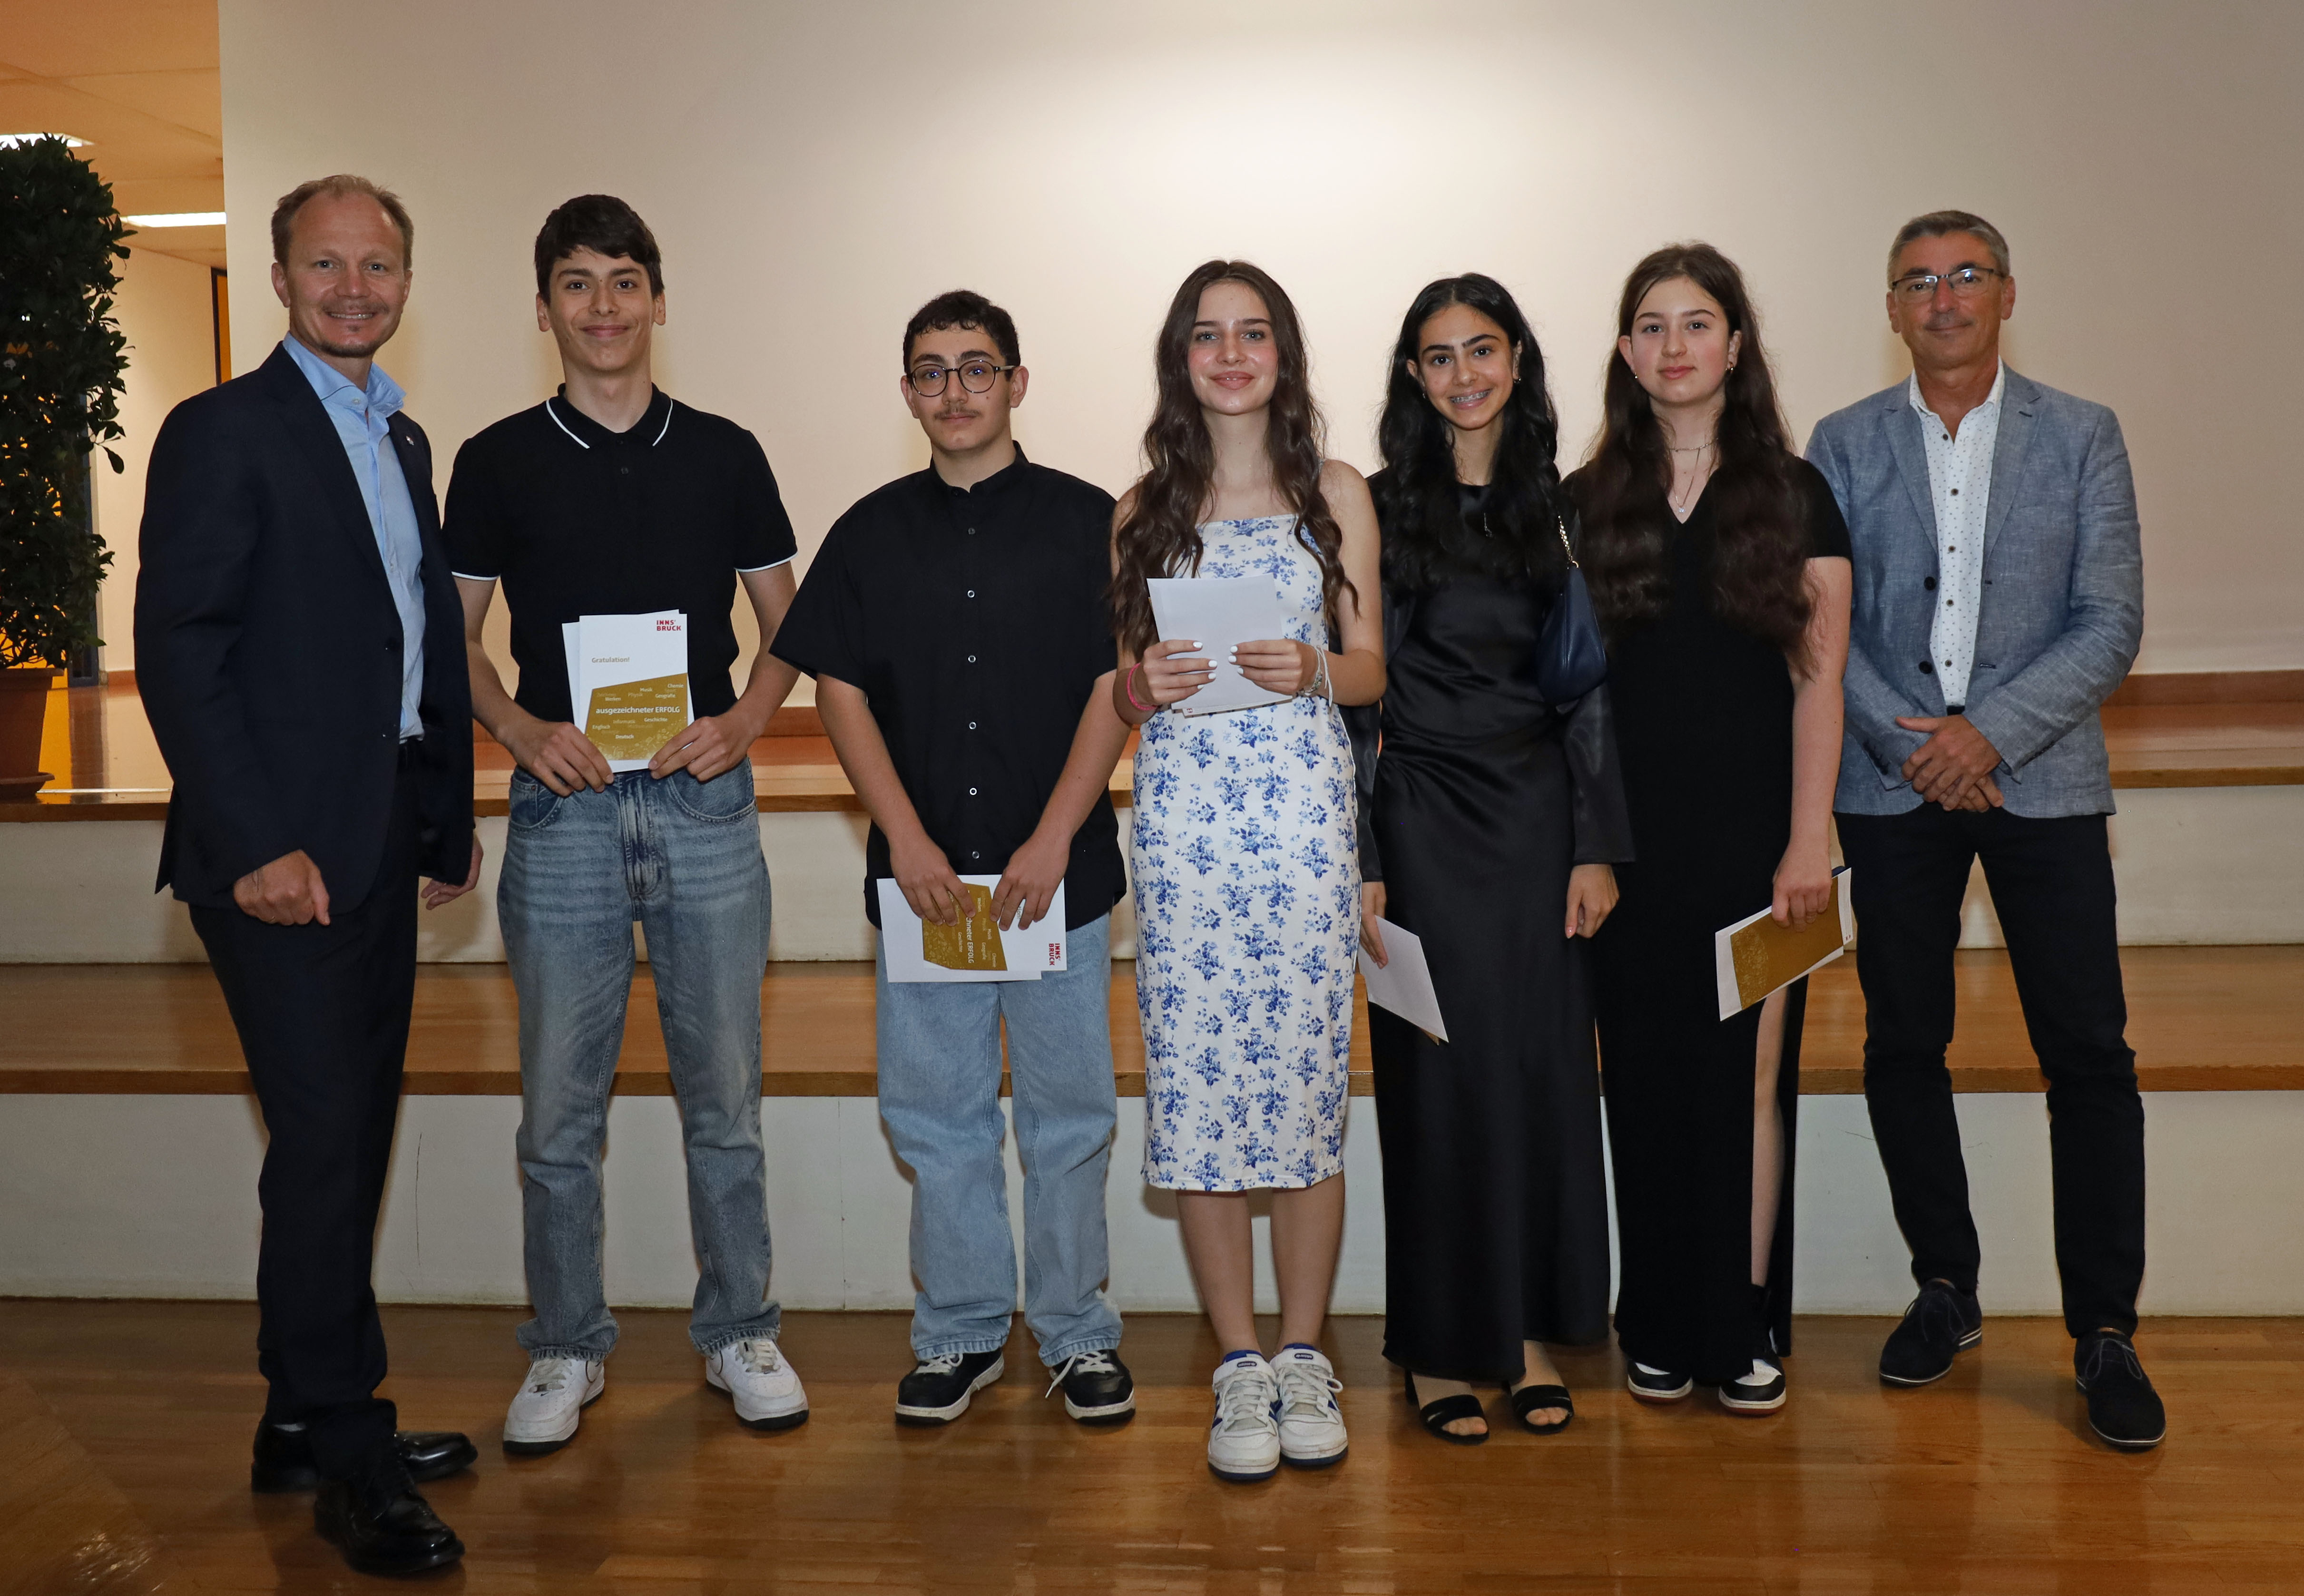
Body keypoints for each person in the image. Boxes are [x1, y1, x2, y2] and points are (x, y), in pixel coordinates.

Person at [134, 175, 481, 1576]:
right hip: (278, 854)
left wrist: (437, 826)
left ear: (406, 277)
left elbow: (414, 644)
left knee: (340, 1139)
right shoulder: (224, 431)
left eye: (378, 263)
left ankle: (298, 1415)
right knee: (332, 1139)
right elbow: (181, 648)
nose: (354, 286)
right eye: (326, 264)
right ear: (277, 279)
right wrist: (260, 840)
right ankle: (350, 1453)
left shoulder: (399, 436)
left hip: (373, 835)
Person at [443, 196, 808, 1449]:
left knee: (725, 1100)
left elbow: (786, 624)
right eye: (576, 284)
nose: (602, 307)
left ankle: (739, 1328)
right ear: (543, 307)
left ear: (658, 299)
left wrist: (747, 722)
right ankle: (563, 1347)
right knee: (558, 1114)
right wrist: (517, 730)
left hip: (704, 803)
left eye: (624, 281)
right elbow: (458, 644)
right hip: (566, 811)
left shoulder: (724, 450)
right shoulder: (495, 459)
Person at [1806, 211, 2157, 1449]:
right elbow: (1818, 624)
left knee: (2088, 1053)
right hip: (1891, 784)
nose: (1942, 297)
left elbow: (2108, 620)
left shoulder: (2080, 435)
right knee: (1903, 1041)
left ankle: (2102, 1327)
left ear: (2006, 293)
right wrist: (1915, 745)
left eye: (1964, 276)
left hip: (2040, 781)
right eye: (1917, 281)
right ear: (1891, 307)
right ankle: (1943, 1285)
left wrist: (1986, 733)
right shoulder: (1840, 444)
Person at [771, 290, 1139, 1429]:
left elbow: (1113, 686)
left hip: (1056, 884)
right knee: (938, 1120)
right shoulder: (869, 531)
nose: (955, 390)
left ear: (1018, 381)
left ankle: (1078, 1334)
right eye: (930, 372)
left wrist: (1052, 833)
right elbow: (838, 690)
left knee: (1069, 1118)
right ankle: (964, 1329)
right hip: (929, 887)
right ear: (906, 392)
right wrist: (911, 840)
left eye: (977, 368)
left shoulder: (1093, 523)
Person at [1110, 260, 1384, 1482]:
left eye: (1253, 332)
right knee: (1202, 1093)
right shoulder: (1138, 509)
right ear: (1181, 357)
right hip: (1184, 827)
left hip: (1301, 822)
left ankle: (1302, 1352)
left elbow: (1374, 667)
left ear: (1284, 352)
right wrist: (1141, 684)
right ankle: (1235, 1365)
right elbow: (1122, 682)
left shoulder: (1336, 492)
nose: (1231, 354)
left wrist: (1311, 664)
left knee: (1305, 1087)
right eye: (1208, 336)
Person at [1346, 274, 1632, 1445]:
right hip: (1416, 819)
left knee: (1535, 1081)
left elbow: (1586, 695)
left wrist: (1596, 846)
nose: (1462, 374)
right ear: (1412, 378)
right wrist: (1361, 851)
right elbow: (1351, 706)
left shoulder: (1556, 509)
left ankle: (1518, 1337)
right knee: (1436, 1088)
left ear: (1516, 361)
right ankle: (1438, 1350)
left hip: (1532, 832)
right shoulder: (1371, 508)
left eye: (1482, 350)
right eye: (1437, 356)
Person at [1568, 243, 1851, 1416]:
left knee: (1747, 1082)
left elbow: (1819, 685)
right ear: (1627, 352)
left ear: (1736, 345)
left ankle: (1735, 1325)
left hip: (1758, 844)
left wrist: (1806, 843)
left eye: (1696, 323)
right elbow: (1569, 695)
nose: (1672, 345)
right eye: (1649, 325)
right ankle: (1658, 1318)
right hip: (1628, 848)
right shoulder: (1587, 503)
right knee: (1638, 1081)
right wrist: (1584, 843)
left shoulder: (1794, 493)